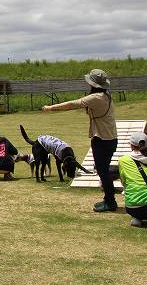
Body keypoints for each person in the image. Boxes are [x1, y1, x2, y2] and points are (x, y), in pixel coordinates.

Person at [42, 69, 118, 212]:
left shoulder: (96, 98)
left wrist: (50, 108)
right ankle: (111, 189)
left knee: (103, 172)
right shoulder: (106, 95)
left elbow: (72, 104)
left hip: (102, 139)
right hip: (111, 138)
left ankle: (110, 201)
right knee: (103, 169)